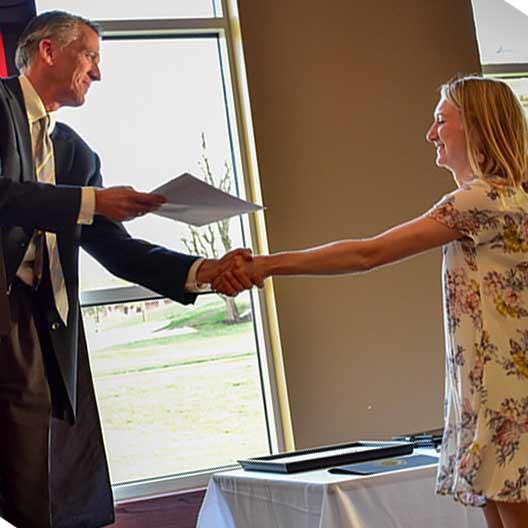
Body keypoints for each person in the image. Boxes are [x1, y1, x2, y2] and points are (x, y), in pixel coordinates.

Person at [217, 75, 528, 528]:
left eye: (441, 120)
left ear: (477, 128)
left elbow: (369, 253)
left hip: (504, 395)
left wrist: (267, 265)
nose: (430, 133)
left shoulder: (482, 199)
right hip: (490, 391)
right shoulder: (506, 197)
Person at [0, 10, 254, 528]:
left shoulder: (74, 152)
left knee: (55, 497)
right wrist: (92, 201)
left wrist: (202, 271)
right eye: (90, 56)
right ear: (49, 51)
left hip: (47, 330)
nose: (98, 73)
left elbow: (115, 249)